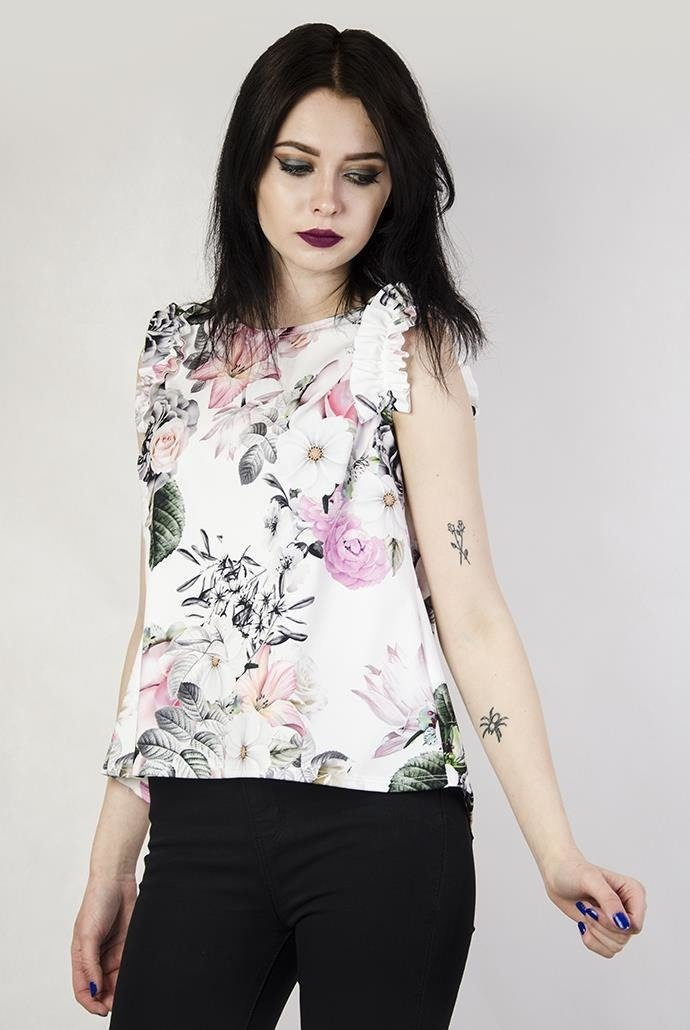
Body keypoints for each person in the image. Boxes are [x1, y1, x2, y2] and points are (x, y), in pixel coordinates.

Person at [71, 22, 647, 1029]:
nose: (325, 201)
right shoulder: (176, 356)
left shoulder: (406, 346)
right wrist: (110, 866)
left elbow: (470, 608)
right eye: (297, 165)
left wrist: (556, 849)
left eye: (361, 174)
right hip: (200, 827)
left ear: (393, 190)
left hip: (383, 828)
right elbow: (162, 623)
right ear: (250, 169)